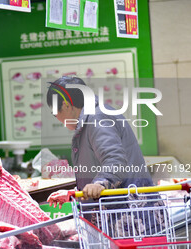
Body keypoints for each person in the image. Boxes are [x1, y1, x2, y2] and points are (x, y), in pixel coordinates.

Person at [46, 76, 164, 237]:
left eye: (55, 113)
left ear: (66, 105)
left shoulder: (96, 118)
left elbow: (114, 160)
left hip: (132, 221)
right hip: (126, 218)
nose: (58, 119)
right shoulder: (94, 118)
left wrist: (101, 183)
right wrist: (76, 193)